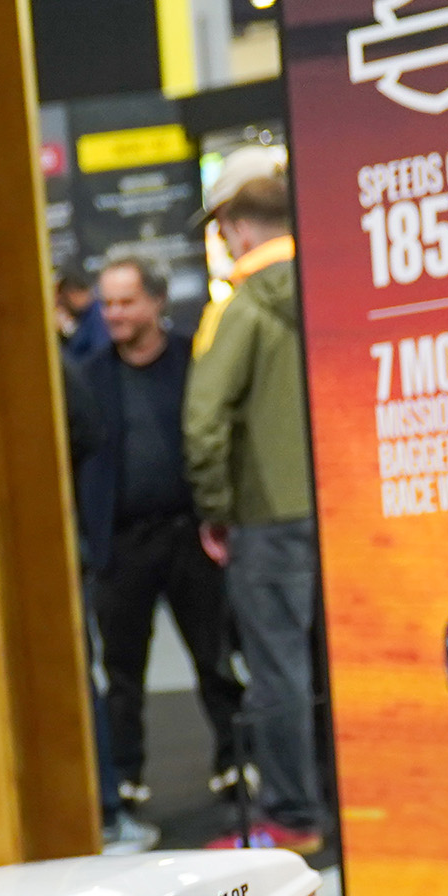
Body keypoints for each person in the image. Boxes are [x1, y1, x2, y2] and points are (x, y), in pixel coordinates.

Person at [67, 248, 246, 849]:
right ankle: (127, 778)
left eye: (126, 302)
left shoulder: (196, 359)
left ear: (156, 302)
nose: (113, 313)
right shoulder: (88, 375)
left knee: (215, 658)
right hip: (120, 547)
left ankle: (236, 763)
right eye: (107, 303)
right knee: (122, 673)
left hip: (191, 538)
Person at [189, 151, 328, 856]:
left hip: (267, 516)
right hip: (340, 510)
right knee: (335, 664)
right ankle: (345, 802)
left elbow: (204, 422)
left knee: (277, 673)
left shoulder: (239, 309)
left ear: (240, 230)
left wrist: (215, 509)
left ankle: (294, 818)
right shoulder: (334, 288)